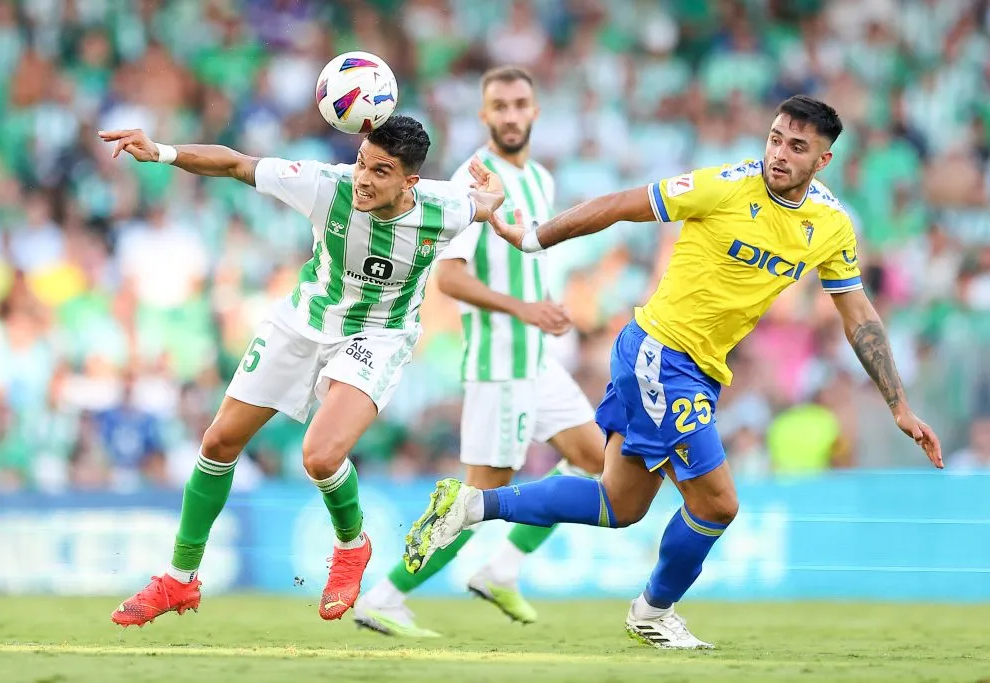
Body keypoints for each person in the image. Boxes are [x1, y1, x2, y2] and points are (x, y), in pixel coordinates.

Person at [402, 96, 943, 649]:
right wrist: (536, 237)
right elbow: (619, 204)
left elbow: (859, 315)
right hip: (661, 354)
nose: (779, 153)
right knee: (717, 503)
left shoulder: (831, 226)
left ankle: (470, 504)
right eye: (776, 138)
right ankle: (654, 612)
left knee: (619, 505)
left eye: (797, 146)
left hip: (694, 368)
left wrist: (898, 403)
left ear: (822, 161)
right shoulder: (724, 186)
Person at [100, 115, 505, 626]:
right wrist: (159, 150)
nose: (363, 177)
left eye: (381, 171)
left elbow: (486, 204)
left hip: (377, 336)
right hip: (302, 320)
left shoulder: (443, 210)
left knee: (319, 455)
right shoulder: (323, 185)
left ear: (410, 183)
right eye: (362, 162)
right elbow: (234, 162)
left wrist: (497, 193)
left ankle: (352, 546)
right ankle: (179, 580)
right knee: (219, 442)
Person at [355, 66, 604, 637]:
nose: (511, 115)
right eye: (500, 106)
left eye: (520, 104)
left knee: (600, 463)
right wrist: (525, 310)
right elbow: (450, 278)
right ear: (484, 115)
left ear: (535, 111)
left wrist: (540, 304)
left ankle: (503, 568)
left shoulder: (539, 178)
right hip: (498, 366)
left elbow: (521, 263)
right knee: (479, 497)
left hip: (535, 361)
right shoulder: (476, 179)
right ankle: (385, 596)